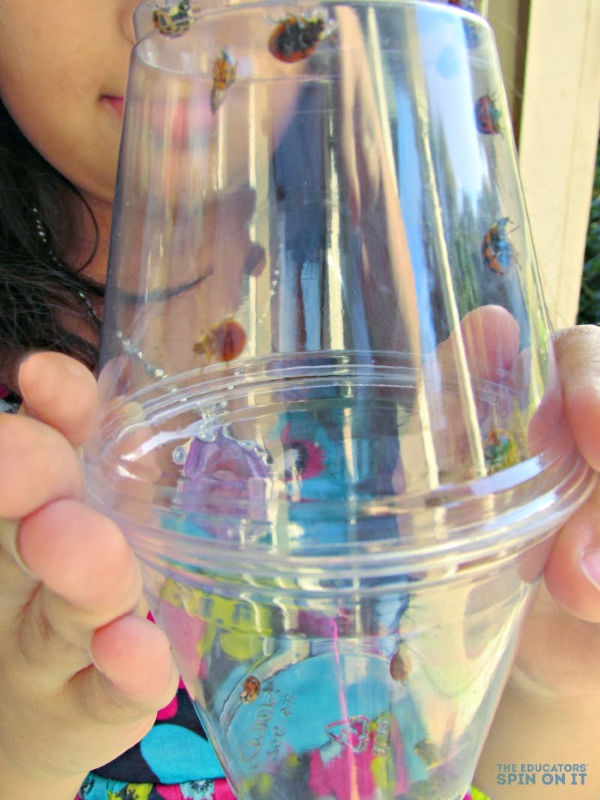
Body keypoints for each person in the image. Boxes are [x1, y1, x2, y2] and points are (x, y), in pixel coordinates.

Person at [0, 2, 599, 799]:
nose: (168, 15)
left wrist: (549, 679)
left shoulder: (429, 340)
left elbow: (546, 780)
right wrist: (21, 752)